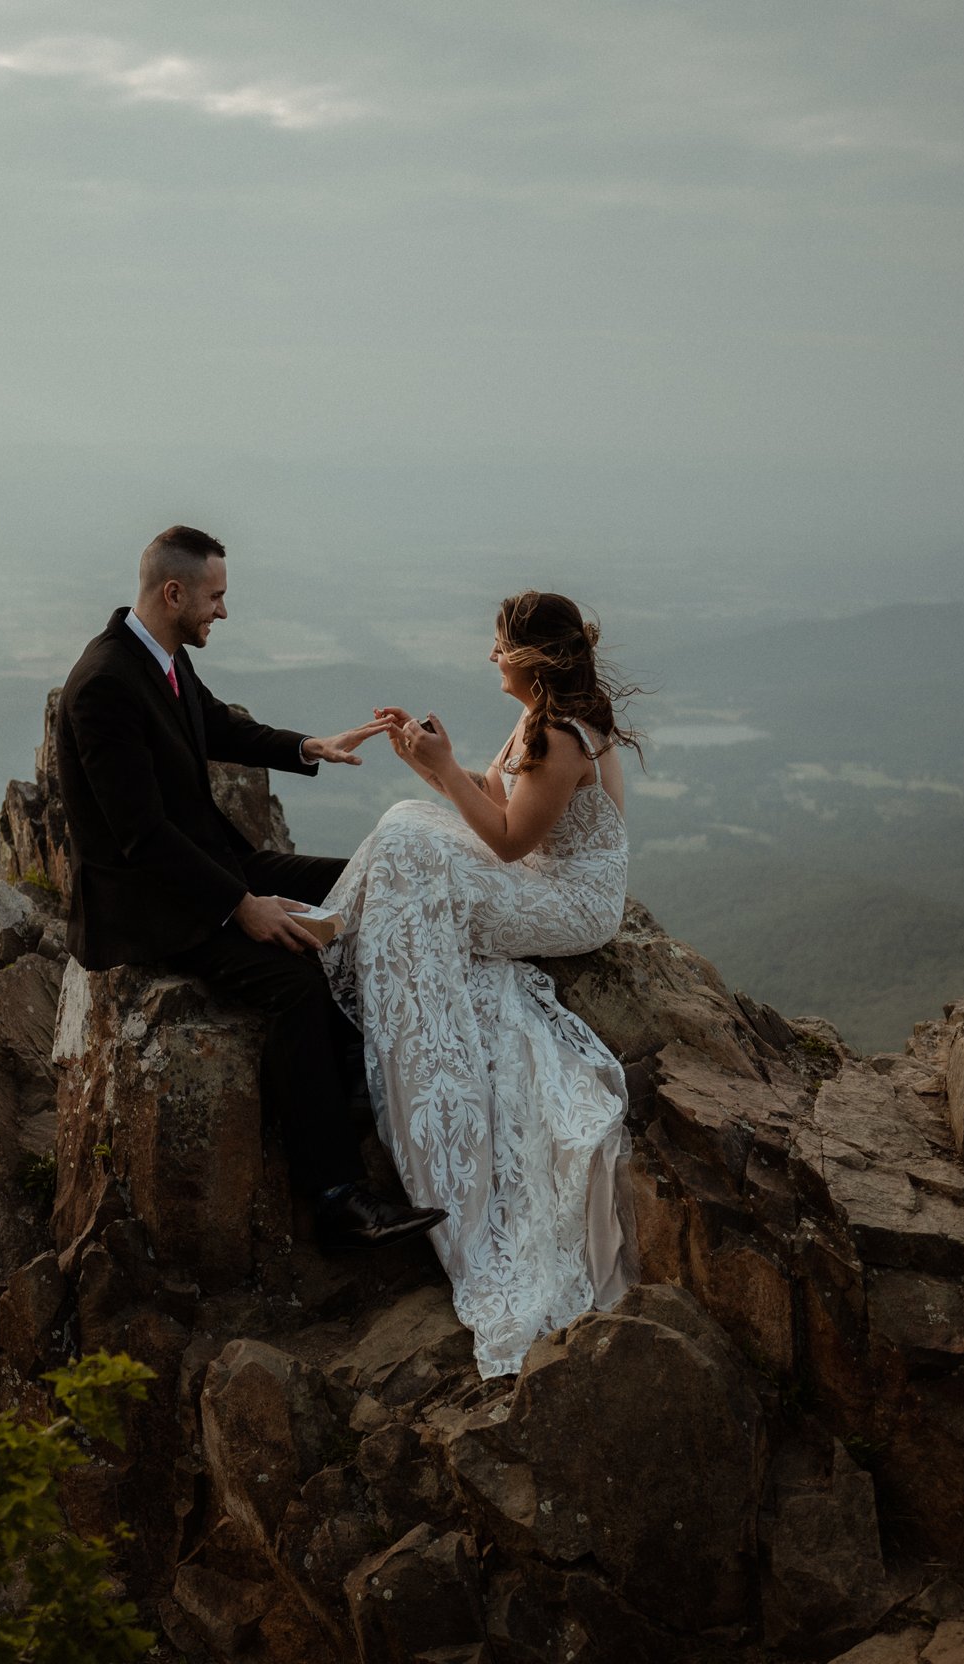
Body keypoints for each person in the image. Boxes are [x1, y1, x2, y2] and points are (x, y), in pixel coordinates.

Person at [54, 524, 447, 1249]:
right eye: (216, 597)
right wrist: (242, 907)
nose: (223, 612)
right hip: (150, 903)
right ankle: (334, 1195)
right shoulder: (105, 684)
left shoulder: (160, 657)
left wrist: (309, 747)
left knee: (356, 879)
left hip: (208, 866)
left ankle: (353, 1085)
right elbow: (140, 836)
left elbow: (214, 726)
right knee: (293, 979)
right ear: (174, 593)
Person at [318, 590, 643, 1376]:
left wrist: (441, 773)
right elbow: (496, 797)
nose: (490, 658)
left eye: (498, 647)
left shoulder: (562, 734)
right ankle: (349, 949)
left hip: (570, 899)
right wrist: (427, 763)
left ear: (530, 660)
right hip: (536, 869)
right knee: (402, 826)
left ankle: (365, 986)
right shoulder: (541, 718)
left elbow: (503, 840)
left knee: (414, 861)